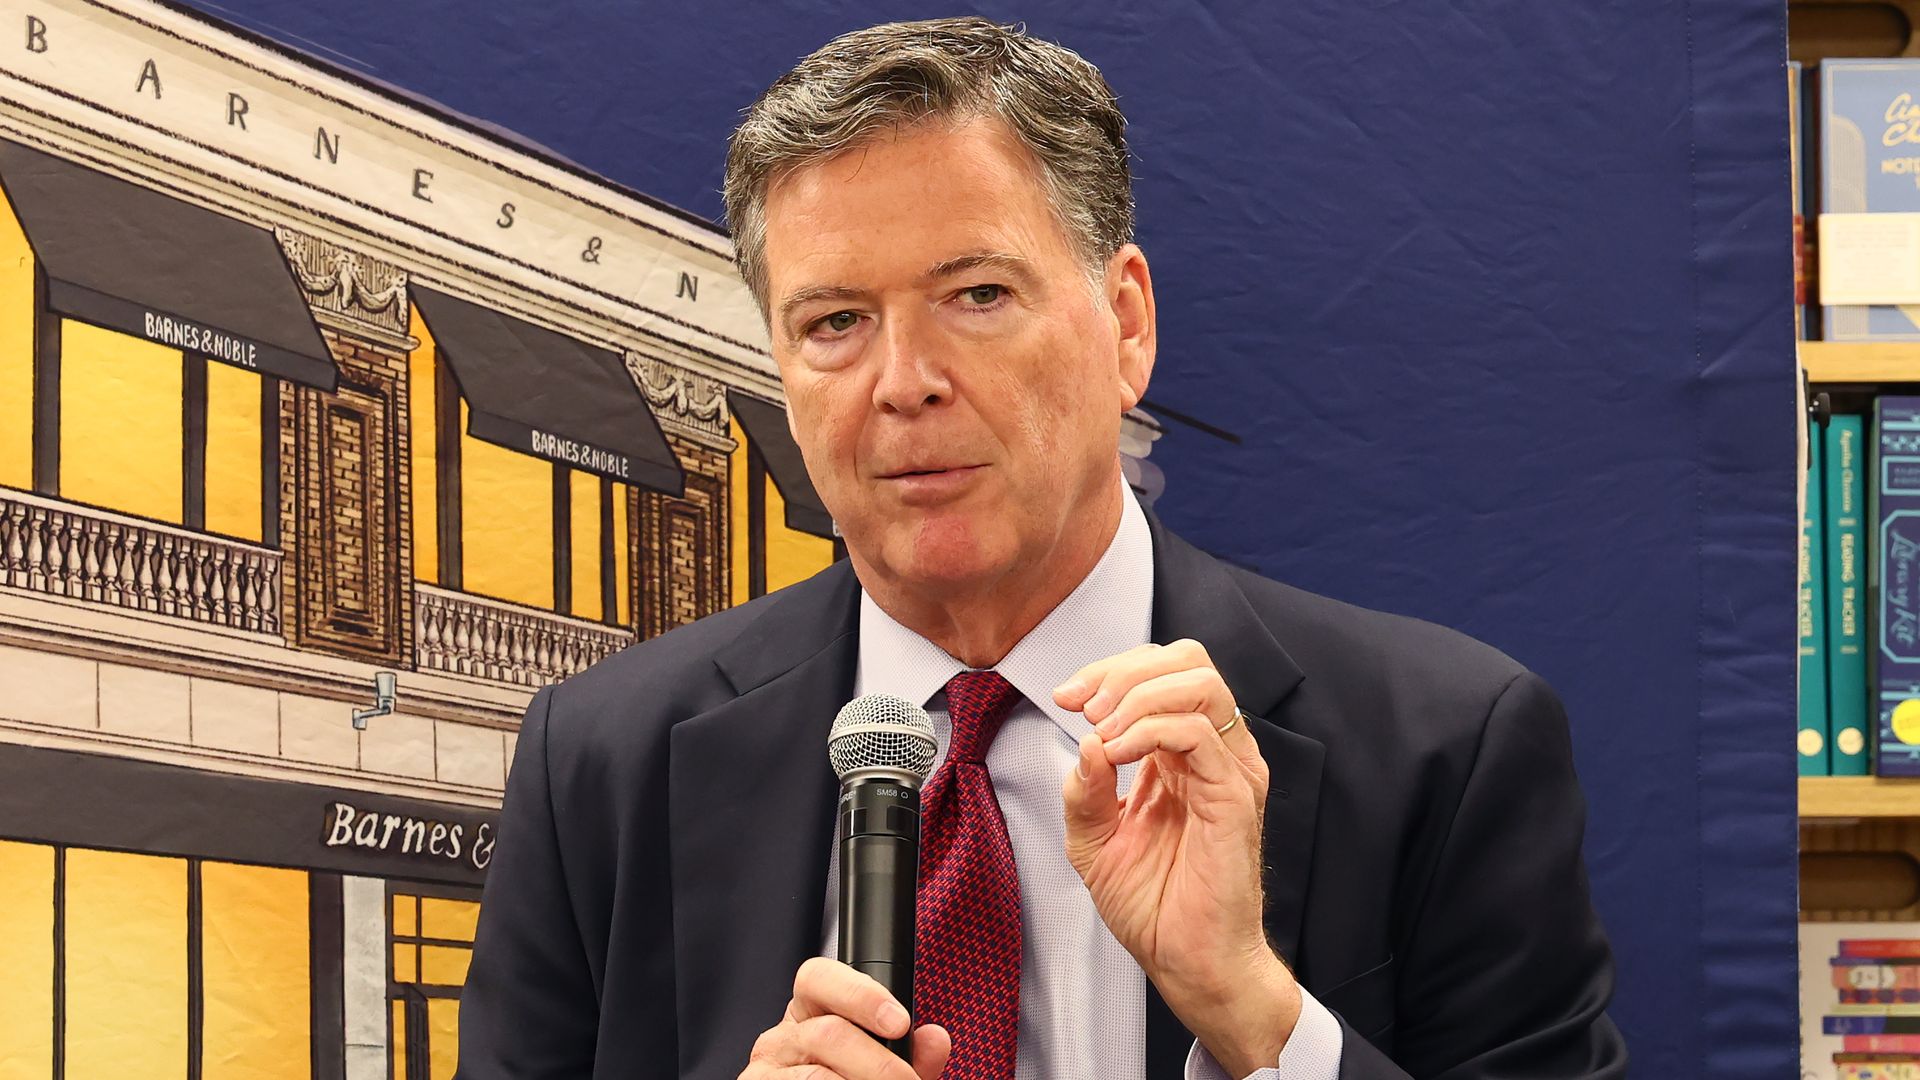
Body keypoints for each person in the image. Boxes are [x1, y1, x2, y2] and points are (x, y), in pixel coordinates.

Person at [455, 17, 1628, 1080]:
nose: (905, 383)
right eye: (835, 322)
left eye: (976, 295)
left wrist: (1256, 1016)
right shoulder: (600, 764)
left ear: (1126, 325)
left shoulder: (1445, 750)